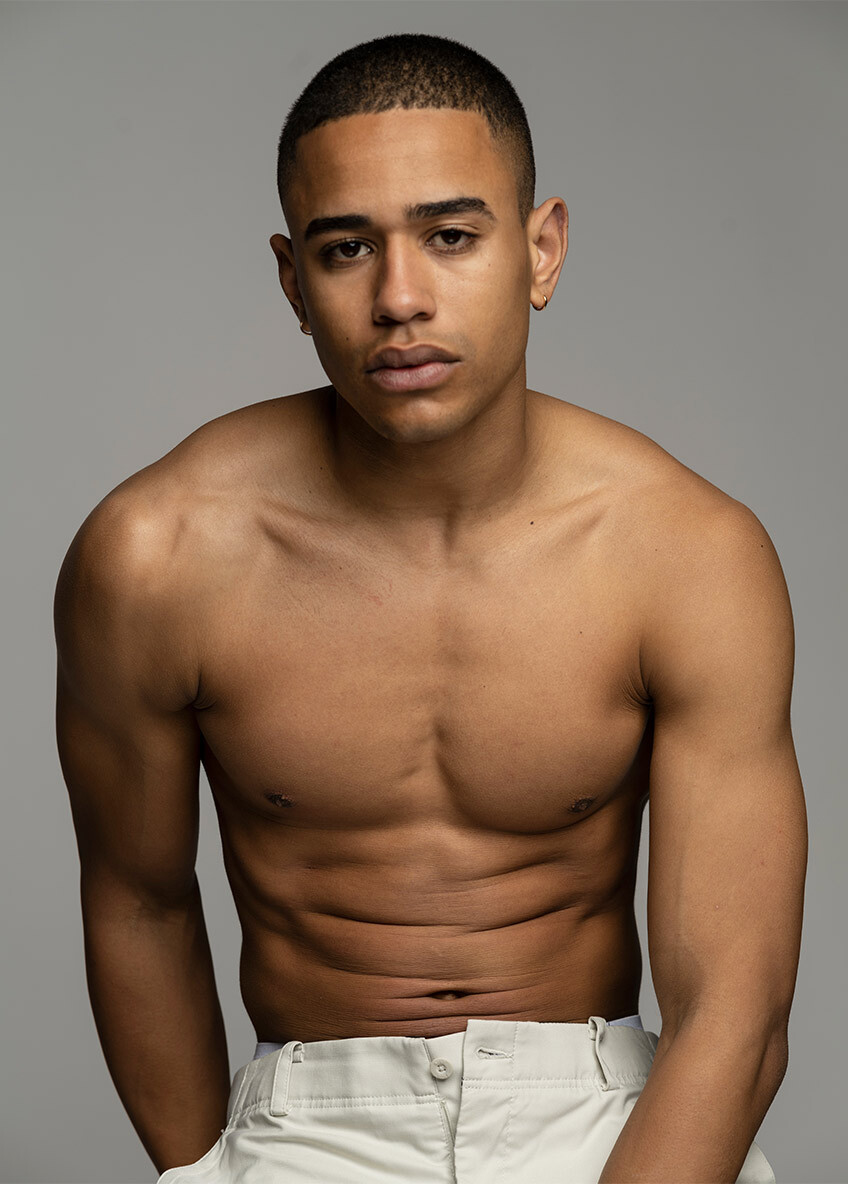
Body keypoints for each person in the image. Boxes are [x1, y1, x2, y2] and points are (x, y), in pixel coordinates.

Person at [53, 32, 807, 1184]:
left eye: (449, 236)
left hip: (610, 1124)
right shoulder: (159, 555)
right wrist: (202, 1174)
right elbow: (138, 899)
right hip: (306, 1132)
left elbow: (733, 1001)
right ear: (292, 281)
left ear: (539, 250)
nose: (399, 298)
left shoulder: (685, 553)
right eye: (345, 248)